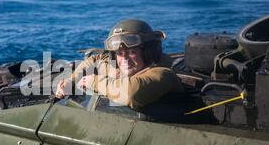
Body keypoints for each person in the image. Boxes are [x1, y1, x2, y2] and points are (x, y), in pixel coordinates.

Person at [56, 19, 184, 110]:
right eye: (119, 53)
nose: (125, 59)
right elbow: (94, 61)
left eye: (132, 52)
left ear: (148, 53)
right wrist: (71, 81)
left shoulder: (162, 74)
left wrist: (93, 82)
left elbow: (130, 93)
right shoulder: (122, 66)